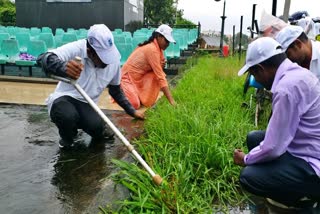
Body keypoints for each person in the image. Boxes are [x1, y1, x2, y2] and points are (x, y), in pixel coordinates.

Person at [234, 37, 320, 209]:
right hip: (304, 145)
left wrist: (246, 159)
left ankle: (303, 198)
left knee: (248, 176)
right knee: (254, 138)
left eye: (253, 74)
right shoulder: (298, 73)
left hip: (313, 163)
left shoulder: (286, 89)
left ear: (260, 69)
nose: (255, 79)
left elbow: (273, 147)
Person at [37, 24, 144, 149]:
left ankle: (95, 125)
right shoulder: (78, 48)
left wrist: (132, 111)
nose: (106, 62)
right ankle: (67, 139)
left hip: (88, 103)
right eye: (102, 57)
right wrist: (63, 67)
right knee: (67, 115)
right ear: (90, 52)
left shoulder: (114, 60)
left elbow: (116, 90)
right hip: (65, 98)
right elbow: (43, 58)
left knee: (97, 128)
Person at [120, 24, 176, 109]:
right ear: (158, 36)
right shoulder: (152, 50)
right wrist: (172, 101)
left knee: (156, 76)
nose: (167, 44)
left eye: (169, 42)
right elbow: (160, 77)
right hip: (127, 77)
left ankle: (135, 94)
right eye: (166, 41)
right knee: (135, 104)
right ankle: (120, 91)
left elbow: (158, 72)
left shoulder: (159, 50)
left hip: (138, 77)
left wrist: (160, 66)